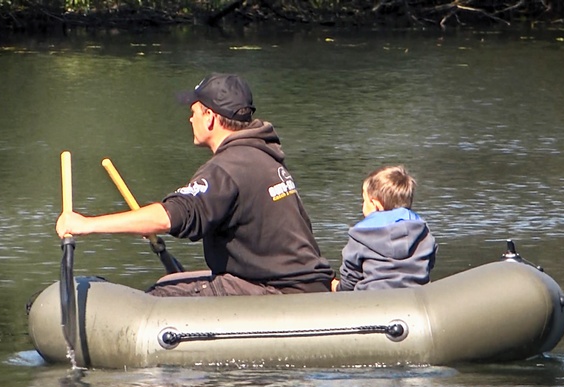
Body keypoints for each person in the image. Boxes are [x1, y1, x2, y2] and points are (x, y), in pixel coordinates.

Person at [56, 73, 335, 296]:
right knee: (176, 280)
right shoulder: (265, 157)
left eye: (195, 112)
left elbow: (173, 215)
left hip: (276, 290)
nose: (190, 118)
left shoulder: (227, 168)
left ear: (211, 118)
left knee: (160, 296)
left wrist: (85, 224)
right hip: (308, 284)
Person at [334, 165, 437, 291]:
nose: (362, 205)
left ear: (375, 204)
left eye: (364, 200)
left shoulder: (360, 235)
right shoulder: (423, 231)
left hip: (372, 302)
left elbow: (349, 280)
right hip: (415, 300)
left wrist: (336, 287)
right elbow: (429, 264)